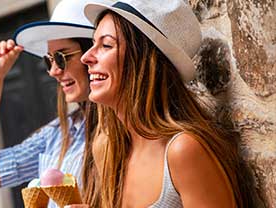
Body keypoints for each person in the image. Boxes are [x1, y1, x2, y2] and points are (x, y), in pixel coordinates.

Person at [76, 0, 252, 207]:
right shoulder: (107, 147)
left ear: (144, 61)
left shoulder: (183, 151)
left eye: (106, 45)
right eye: (93, 44)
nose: (86, 57)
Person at [0, 0, 110, 207]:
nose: (53, 71)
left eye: (61, 57)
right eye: (49, 60)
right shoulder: (59, 133)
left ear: (92, 53)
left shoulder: (131, 128)